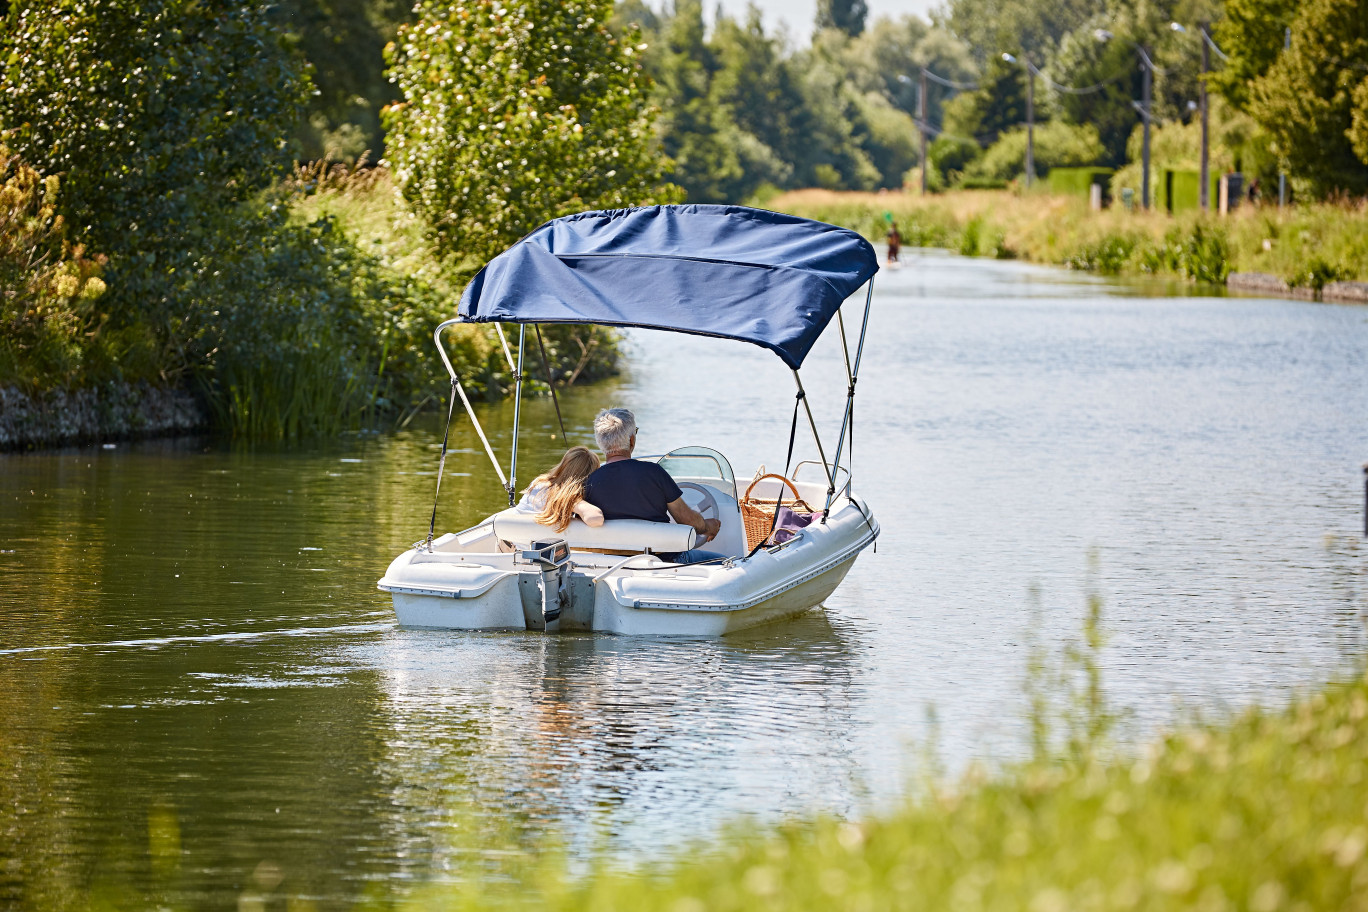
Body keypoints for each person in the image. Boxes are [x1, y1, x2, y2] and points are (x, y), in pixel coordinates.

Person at [583, 408, 725, 565]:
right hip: (663, 563)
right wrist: (707, 526)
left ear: (601, 443)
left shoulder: (590, 480)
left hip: (613, 565)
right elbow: (687, 520)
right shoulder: (653, 472)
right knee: (726, 563)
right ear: (631, 440)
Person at [515, 446, 605, 533]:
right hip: (534, 545)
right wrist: (572, 502)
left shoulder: (539, 483)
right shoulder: (567, 498)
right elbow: (595, 518)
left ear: (563, 465)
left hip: (514, 541)